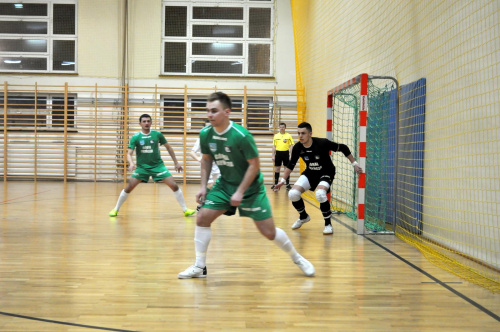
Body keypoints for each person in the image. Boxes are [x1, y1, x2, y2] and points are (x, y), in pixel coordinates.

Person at [178, 92, 315, 279]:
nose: (210, 115)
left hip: (251, 188)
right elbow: (207, 160)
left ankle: (297, 258)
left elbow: (254, 165)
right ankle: (199, 266)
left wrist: (240, 192)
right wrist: (203, 186)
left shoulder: (241, 136)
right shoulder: (205, 134)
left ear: (227, 112)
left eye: (214, 111)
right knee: (202, 218)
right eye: (208, 111)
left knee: (268, 232)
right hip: (224, 185)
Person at [273, 122, 363, 235]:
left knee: (320, 194)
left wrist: (354, 163)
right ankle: (303, 216)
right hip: (310, 173)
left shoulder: (322, 143)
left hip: (326, 172)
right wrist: (282, 181)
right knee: (293, 194)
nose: (300, 136)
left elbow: (343, 148)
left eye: (303, 133)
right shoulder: (297, 147)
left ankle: (328, 224)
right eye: (298, 133)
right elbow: (291, 165)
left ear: (310, 134)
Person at [108, 114, 196, 217]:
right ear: (140, 123)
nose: (146, 123)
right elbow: (129, 153)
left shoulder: (157, 134)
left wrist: (176, 162)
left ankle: (185, 210)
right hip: (142, 167)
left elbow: (169, 148)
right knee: (129, 187)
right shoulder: (136, 137)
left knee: (174, 185)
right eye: (144, 121)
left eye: (148, 121)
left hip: (158, 166)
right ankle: (115, 209)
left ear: (151, 122)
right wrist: (131, 163)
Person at [190, 120, 221, 211]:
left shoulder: (219, 137)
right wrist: (200, 160)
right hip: (208, 167)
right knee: (210, 185)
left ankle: (211, 203)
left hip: (218, 166)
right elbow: (192, 153)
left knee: (217, 185)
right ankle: (201, 205)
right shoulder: (202, 139)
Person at [271, 122, 294, 191]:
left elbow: (291, 145)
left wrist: (291, 155)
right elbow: (274, 146)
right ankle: (275, 184)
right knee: (277, 169)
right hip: (278, 153)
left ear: (285, 128)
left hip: (286, 153)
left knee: (286, 169)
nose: (282, 128)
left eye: (283, 127)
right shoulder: (276, 136)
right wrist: (273, 155)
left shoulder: (288, 135)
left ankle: (287, 185)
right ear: (279, 127)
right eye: (280, 127)